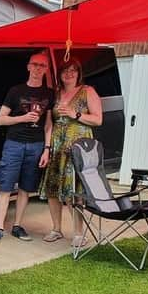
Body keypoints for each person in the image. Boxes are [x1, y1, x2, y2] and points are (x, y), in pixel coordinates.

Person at [0, 52, 54, 245]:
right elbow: (0, 120)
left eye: (42, 65)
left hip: (36, 145)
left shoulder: (49, 94)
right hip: (14, 144)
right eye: (35, 65)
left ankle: (17, 226)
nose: (38, 68)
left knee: (26, 188)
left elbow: (49, 124)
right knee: (6, 187)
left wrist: (47, 149)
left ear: (46, 69)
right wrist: (23, 118)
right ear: (28, 67)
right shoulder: (16, 91)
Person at [39, 57, 103, 247]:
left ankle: (78, 233)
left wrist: (75, 114)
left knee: (73, 192)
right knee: (52, 189)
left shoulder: (87, 91)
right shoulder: (55, 94)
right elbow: (49, 124)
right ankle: (56, 229)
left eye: (73, 70)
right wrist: (47, 148)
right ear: (59, 74)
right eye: (65, 70)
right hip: (57, 146)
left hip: (77, 148)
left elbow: (98, 119)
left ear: (78, 73)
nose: (69, 74)